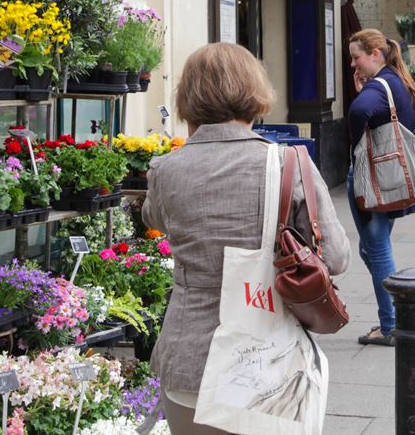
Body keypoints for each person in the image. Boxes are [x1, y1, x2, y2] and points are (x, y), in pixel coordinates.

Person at [143, 43, 350, 434]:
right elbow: (336, 259)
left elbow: (154, 218)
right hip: (268, 364)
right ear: (253, 90)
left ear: (189, 96)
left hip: (188, 361)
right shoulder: (289, 164)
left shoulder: (166, 170)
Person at [347, 28, 415, 347]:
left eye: (356, 57)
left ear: (375, 54)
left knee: (377, 249)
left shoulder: (379, 86)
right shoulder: (396, 80)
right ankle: (393, 312)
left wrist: (356, 146)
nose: (353, 65)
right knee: (372, 248)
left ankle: (391, 323)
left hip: (374, 177)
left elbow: (358, 111)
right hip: (390, 177)